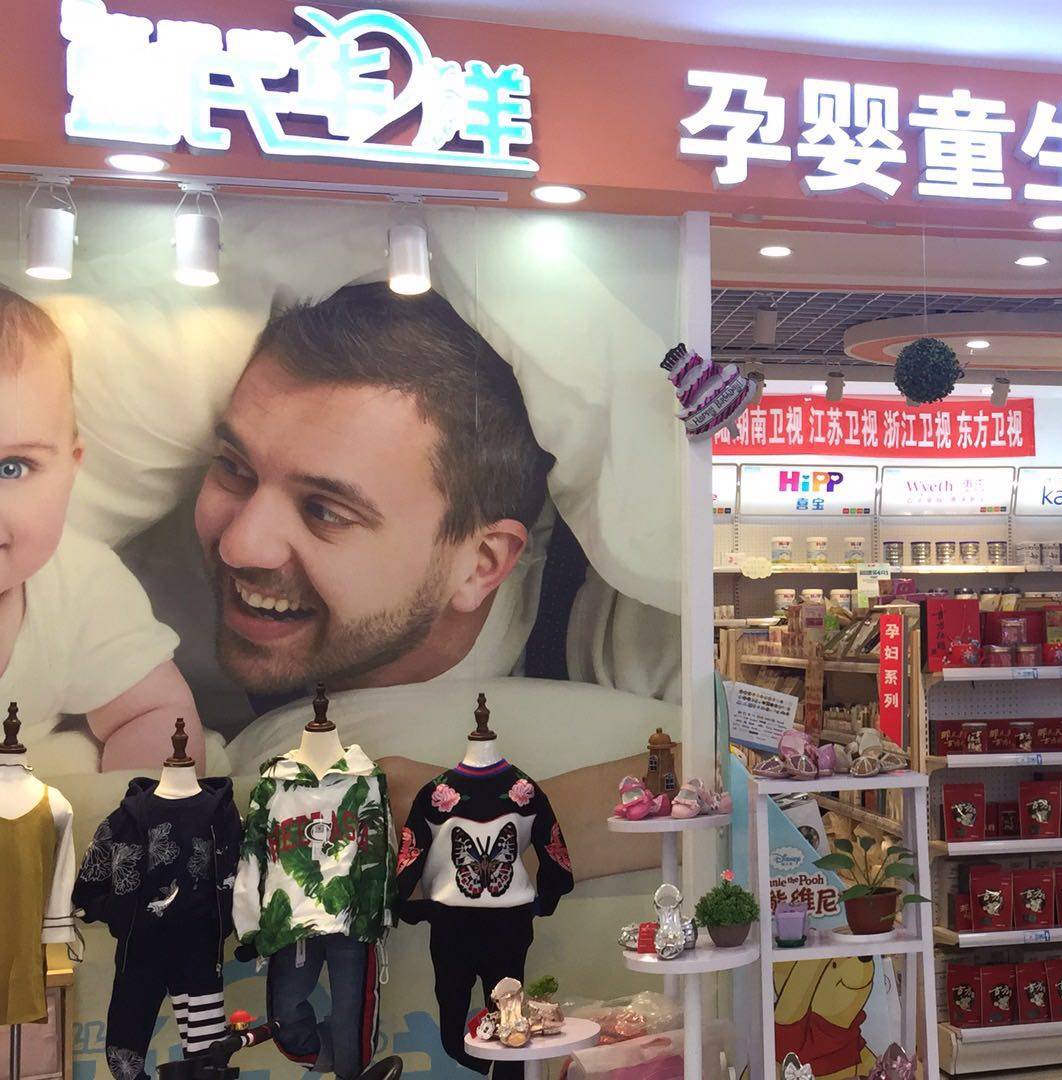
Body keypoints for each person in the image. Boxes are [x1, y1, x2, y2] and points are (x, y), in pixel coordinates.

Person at [197, 283, 666, 881]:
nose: (238, 545)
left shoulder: (611, 609)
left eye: (324, 510)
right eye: (234, 469)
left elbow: (764, 770)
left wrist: (487, 836)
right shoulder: (142, 574)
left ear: (481, 564)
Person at [0, 285, 203, 771]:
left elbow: (154, 711)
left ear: (71, 467)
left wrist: (142, 807)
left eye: (12, 468)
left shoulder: (81, 588)